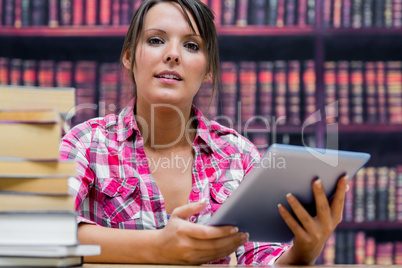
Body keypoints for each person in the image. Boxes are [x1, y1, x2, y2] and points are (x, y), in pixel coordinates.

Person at [59, 0, 348, 265]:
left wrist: (302, 253)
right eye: (156, 40)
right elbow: (47, 232)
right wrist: (156, 247)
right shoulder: (86, 144)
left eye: (192, 46)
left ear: (208, 69)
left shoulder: (239, 155)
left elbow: (261, 258)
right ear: (128, 56)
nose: (172, 55)